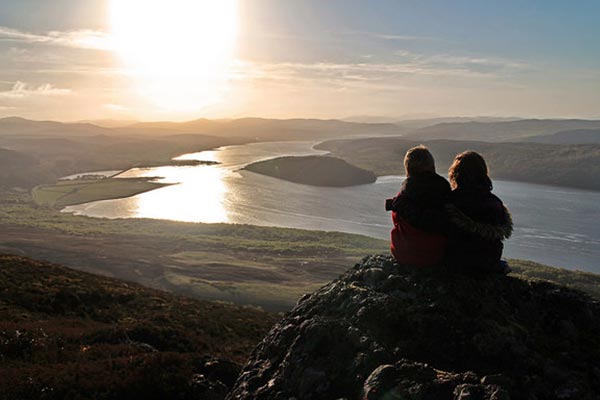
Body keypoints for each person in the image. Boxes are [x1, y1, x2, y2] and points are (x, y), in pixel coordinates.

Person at [445, 151, 513, 274]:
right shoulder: (495, 203)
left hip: (455, 263)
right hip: (488, 264)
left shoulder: (451, 201)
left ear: (456, 174)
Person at [386, 145, 451, 266]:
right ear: (432, 167)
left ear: (408, 170)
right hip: (437, 255)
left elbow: (397, 220)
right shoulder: (444, 191)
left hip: (404, 255)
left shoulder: (402, 197)